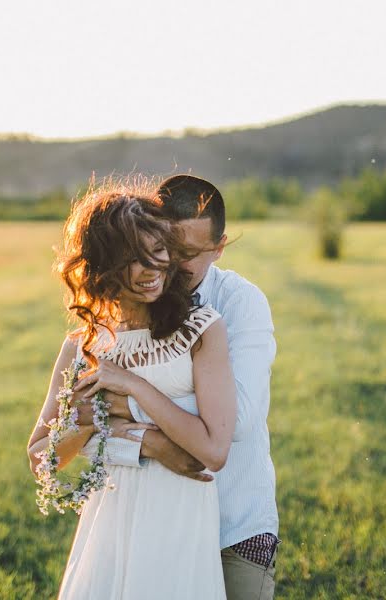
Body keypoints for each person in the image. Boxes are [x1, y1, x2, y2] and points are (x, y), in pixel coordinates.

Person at [26, 181, 235, 599]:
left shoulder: (200, 329)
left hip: (179, 516)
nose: (151, 268)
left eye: (158, 251)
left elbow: (214, 450)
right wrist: (104, 427)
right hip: (111, 515)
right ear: (102, 266)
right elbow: (41, 459)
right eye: (132, 259)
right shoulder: (81, 347)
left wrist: (132, 387)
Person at [78, 175, 281, 600]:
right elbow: (70, 436)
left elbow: (235, 422)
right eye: (163, 248)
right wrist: (147, 445)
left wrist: (125, 405)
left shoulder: (239, 303)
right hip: (157, 524)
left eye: (189, 253)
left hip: (233, 524)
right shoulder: (134, 312)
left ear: (219, 247)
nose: (173, 264)